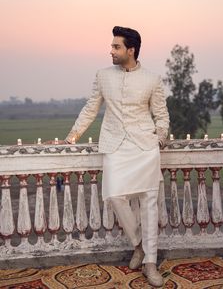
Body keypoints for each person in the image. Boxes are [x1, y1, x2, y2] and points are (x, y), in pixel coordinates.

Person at [65, 26, 169, 287]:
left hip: (145, 147)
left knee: (149, 203)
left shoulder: (152, 79)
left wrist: (161, 136)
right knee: (114, 194)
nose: (110, 50)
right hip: (114, 145)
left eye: (116, 47)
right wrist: (72, 136)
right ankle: (138, 245)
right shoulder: (103, 76)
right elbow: (91, 108)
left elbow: (161, 113)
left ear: (130, 50)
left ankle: (150, 263)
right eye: (111, 46)